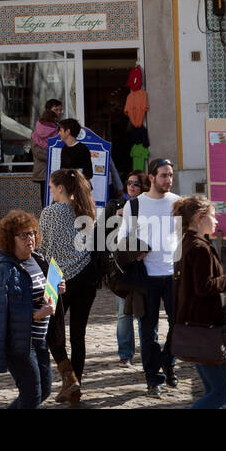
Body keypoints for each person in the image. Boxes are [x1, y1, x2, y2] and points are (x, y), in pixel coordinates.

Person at [174, 196, 226, 409]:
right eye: (213, 217)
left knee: (211, 391)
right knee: (222, 393)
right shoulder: (199, 248)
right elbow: (204, 286)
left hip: (197, 325)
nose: (217, 221)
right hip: (205, 328)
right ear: (199, 218)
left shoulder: (188, 242)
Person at [38, 168, 98, 405]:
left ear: (60, 188)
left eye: (51, 186)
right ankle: (75, 387)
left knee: (52, 333)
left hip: (57, 277)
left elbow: (43, 250)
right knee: (78, 335)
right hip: (86, 276)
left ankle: (69, 378)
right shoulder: (87, 209)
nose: (49, 190)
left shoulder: (51, 212)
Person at [124, 157, 181, 397]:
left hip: (173, 274)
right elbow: (121, 240)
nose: (168, 180)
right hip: (145, 276)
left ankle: (168, 361)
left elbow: (185, 236)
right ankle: (153, 377)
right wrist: (134, 250)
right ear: (151, 178)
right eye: (164, 175)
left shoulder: (178, 203)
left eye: (170, 175)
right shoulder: (134, 205)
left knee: (179, 326)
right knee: (148, 331)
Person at [0, 210, 54, 408]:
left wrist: (55, 291)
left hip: (39, 339)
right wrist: (37, 314)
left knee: (45, 390)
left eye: (32, 233)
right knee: (31, 395)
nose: (30, 239)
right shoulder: (3, 269)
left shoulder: (37, 260)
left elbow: (36, 295)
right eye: (23, 235)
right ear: (10, 239)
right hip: (19, 343)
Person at [107, 171, 146, 366]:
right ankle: (125, 354)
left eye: (136, 184)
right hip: (122, 267)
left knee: (143, 312)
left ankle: (147, 351)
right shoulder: (115, 205)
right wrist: (114, 219)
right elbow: (104, 234)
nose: (131, 187)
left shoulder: (148, 206)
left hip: (143, 266)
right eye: (129, 183)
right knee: (123, 312)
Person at [30, 99, 63, 183]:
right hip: (44, 172)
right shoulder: (38, 130)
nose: (59, 112)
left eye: (60, 110)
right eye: (56, 110)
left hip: (58, 172)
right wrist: (57, 157)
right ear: (48, 111)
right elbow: (37, 152)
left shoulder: (59, 127)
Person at [57, 118, 93, 184]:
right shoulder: (64, 148)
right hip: (68, 188)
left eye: (60, 130)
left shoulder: (82, 149)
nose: (59, 133)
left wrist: (70, 173)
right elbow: (62, 171)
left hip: (80, 189)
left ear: (67, 132)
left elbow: (88, 173)